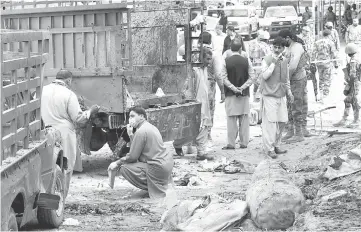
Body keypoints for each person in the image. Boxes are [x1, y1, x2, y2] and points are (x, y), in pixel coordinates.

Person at [41, 70, 100, 197]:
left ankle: (45, 197)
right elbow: (79, 119)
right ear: (68, 81)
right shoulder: (69, 94)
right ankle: (61, 200)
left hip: (43, 134)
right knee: (65, 168)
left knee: (46, 167)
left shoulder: (41, 90)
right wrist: (91, 111)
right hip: (64, 135)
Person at [107, 107, 174, 199]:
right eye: (129, 117)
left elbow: (133, 156)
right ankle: (153, 186)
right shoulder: (151, 127)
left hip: (157, 167)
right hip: (166, 165)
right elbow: (139, 147)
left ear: (142, 116)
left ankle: (151, 188)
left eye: (132, 116)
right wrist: (131, 134)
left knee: (124, 168)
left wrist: (117, 163)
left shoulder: (141, 131)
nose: (130, 119)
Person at [173, 48, 215, 161]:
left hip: (203, 104)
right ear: (201, 58)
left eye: (211, 59)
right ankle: (181, 145)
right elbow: (188, 89)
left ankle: (199, 151)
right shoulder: (194, 71)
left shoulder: (204, 69)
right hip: (195, 104)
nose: (209, 61)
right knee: (194, 128)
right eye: (207, 59)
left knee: (202, 127)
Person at [259, 37, 294, 158]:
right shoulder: (267, 60)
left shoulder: (284, 61)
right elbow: (265, 75)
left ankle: (276, 145)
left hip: (281, 94)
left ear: (283, 48)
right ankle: (269, 148)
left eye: (280, 47)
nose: (277, 49)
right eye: (275, 47)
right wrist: (273, 62)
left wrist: (289, 91)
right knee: (271, 122)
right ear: (272, 47)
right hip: (269, 95)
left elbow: (286, 78)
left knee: (282, 121)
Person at [222, 39, 256, 149]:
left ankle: (231, 143)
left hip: (230, 94)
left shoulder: (226, 60)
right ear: (241, 49)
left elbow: (224, 78)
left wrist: (233, 88)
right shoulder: (246, 60)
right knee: (244, 118)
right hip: (244, 94)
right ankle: (244, 143)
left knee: (231, 120)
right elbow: (252, 77)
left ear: (230, 49)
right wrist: (242, 88)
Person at [278, 29, 310, 143]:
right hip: (295, 79)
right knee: (291, 105)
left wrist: (286, 78)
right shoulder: (291, 47)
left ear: (288, 37)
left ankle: (299, 133)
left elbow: (292, 66)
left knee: (296, 105)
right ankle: (293, 130)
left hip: (297, 79)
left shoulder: (297, 47)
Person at [334, 43, 361, 129]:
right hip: (354, 83)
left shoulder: (353, 61)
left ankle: (356, 121)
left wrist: (348, 84)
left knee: (354, 101)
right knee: (347, 100)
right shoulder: (355, 59)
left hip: (354, 83)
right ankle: (345, 119)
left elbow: (353, 75)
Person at [311, 29, 338, 102]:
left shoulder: (317, 42)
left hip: (319, 63)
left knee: (321, 78)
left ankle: (321, 93)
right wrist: (336, 64)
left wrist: (313, 62)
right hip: (327, 63)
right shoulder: (331, 43)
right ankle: (325, 96)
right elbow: (334, 53)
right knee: (327, 79)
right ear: (329, 35)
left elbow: (313, 53)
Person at [248, 30, 272, 102]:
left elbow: (250, 56)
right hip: (263, 67)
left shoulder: (251, 43)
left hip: (255, 67)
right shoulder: (266, 46)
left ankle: (255, 99)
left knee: (256, 85)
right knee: (262, 85)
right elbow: (269, 57)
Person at [299, 26, 318, 101]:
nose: (307, 33)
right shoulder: (299, 38)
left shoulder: (311, 38)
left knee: (314, 77)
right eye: (305, 31)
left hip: (311, 59)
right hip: (302, 60)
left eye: (308, 31)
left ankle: (316, 95)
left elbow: (313, 48)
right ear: (302, 30)